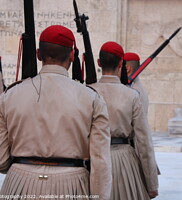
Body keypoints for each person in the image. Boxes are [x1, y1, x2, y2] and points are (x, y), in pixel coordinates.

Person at [0, 25, 112, 200]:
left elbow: (1, 161)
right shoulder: (91, 98)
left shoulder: (9, 96)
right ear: (72, 55)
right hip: (71, 184)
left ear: (38, 54)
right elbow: (100, 162)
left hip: (19, 183)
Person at [90, 41, 159, 200]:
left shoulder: (87, 91)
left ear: (99, 62)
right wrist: (152, 183)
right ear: (121, 63)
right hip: (124, 160)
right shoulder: (132, 95)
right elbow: (144, 141)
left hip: (94, 158)